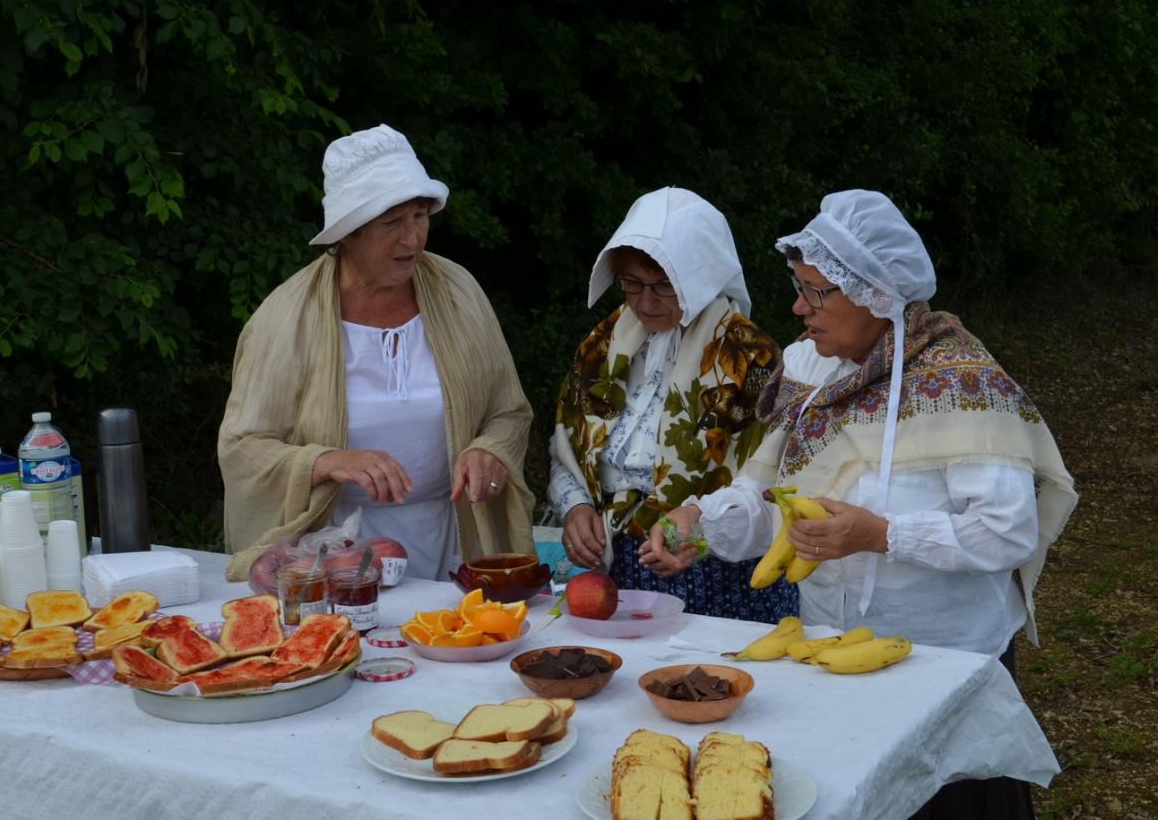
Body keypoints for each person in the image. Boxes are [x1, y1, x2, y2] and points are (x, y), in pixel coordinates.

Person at [644, 189, 1077, 819]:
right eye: (799, 287)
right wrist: (701, 523)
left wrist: (882, 534)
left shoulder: (962, 381)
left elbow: (1006, 532)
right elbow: (771, 500)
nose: (798, 308)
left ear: (876, 293)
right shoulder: (809, 370)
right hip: (826, 652)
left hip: (940, 663)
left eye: (816, 292)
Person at [219, 124, 535, 582]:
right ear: (348, 233)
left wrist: (490, 450)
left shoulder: (459, 292)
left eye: (420, 217)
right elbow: (241, 447)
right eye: (392, 224)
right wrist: (326, 461)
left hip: (451, 542)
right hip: (331, 553)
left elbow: (509, 411)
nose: (412, 239)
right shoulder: (285, 318)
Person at [549, 187, 797, 621]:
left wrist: (701, 533)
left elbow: (772, 484)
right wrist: (576, 507)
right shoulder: (601, 347)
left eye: (664, 285)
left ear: (700, 276)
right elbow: (567, 447)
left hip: (721, 580)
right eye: (632, 283)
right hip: (617, 571)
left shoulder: (751, 360)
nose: (645, 302)